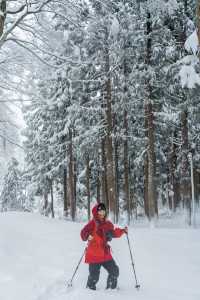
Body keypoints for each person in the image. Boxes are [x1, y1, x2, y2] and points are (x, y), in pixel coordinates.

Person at [80, 202, 128, 290]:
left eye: (103, 211)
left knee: (114, 271)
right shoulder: (92, 223)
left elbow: (113, 233)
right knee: (94, 276)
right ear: (96, 212)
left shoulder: (108, 224)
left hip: (105, 253)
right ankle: (89, 291)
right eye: (100, 211)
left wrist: (122, 231)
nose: (102, 213)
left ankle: (110, 290)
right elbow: (83, 233)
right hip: (94, 254)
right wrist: (87, 236)